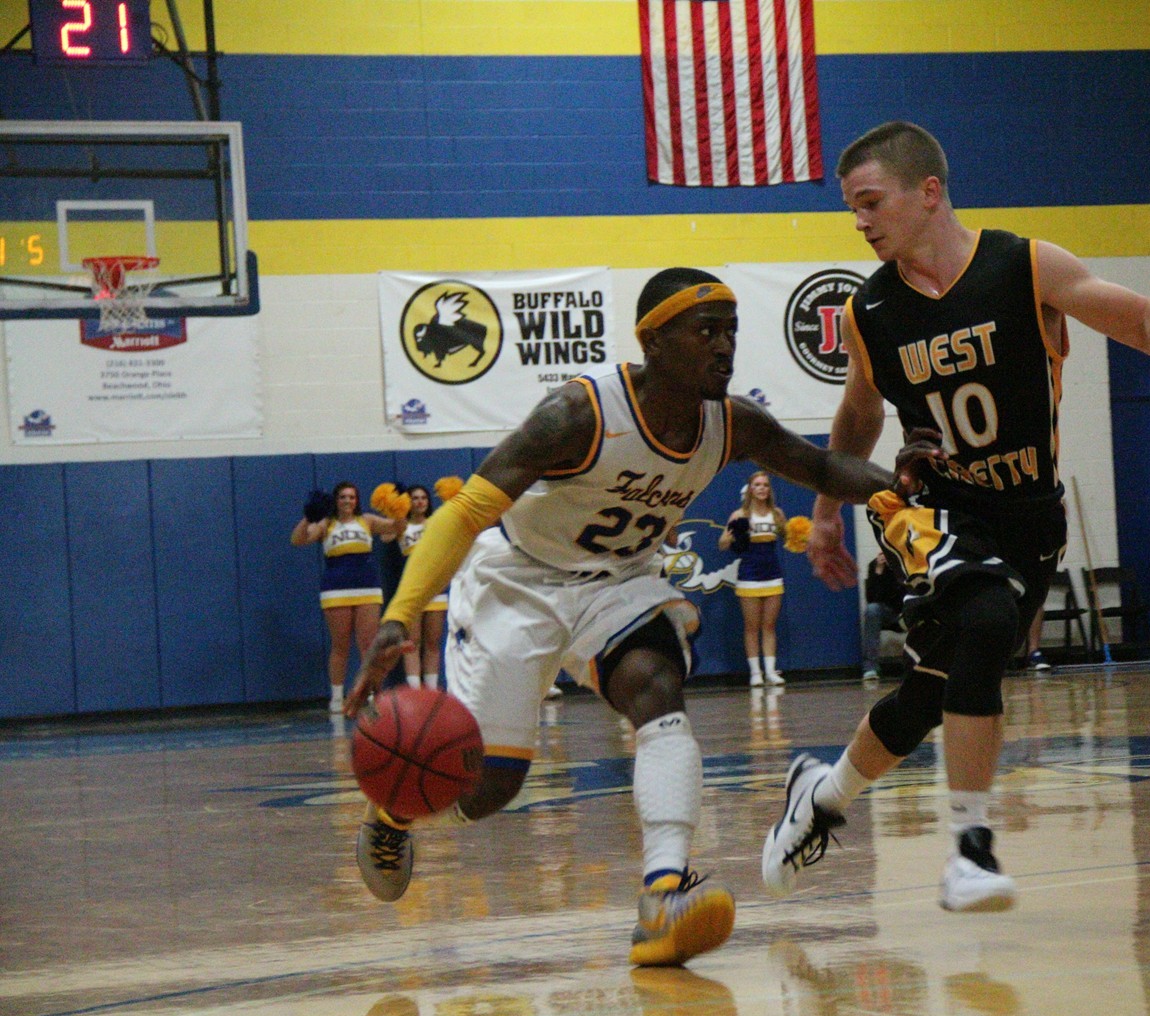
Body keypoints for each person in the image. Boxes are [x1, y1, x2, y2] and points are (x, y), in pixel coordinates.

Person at [342, 268, 933, 966]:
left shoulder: (732, 422)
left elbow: (821, 465)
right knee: (487, 788)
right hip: (520, 583)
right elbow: (468, 511)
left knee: (658, 687)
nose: (724, 346)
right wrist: (401, 613)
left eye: (732, 331)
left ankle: (663, 895)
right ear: (654, 343)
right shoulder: (580, 412)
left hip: (618, 583)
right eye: (706, 331)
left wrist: (893, 494)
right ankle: (395, 808)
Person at [764, 121, 1150, 912]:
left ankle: (823, 794)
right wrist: (828, 513)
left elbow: (1148, 329)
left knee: (935, 689)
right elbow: (860, 416)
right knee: (980, 624)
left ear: (929, 191)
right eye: (854, 211)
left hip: (1029, 517)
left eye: (872, 203)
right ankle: (970, 848)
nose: (862, 222)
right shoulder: (869, 310)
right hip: (932, 510)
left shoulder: (1024, 265)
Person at [291, 482, 406, 710]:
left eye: (352, 497)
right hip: (336, 590)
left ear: (357, 500)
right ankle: (336, 696)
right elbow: (298, 539)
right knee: (340, 645)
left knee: (368, 645)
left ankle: (371, 693)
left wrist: (398, 511)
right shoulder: (326, 524)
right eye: (343, 497)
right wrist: (307, 517)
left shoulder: (368, 520)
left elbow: (398, 527)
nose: (347, 501)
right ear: (336, 500)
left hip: (367, 588)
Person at [718, 471, 788, 687]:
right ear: (750, 489)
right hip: (748, 575)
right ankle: (755, 673)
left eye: (765, 485)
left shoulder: (777, 514)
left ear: (769, 489)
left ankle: (770, 671)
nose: (761, 488)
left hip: (772, 575)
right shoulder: (740, 515)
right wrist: (726, 538)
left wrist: (799, 534)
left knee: (769, 626)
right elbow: (722, 544)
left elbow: (789, 537)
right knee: (751, 626)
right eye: (757, 484)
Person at [387, 483, 451, 688]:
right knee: (412, 643)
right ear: (408, 502)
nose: (420, 501)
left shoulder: (435, 522)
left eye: (423, 497)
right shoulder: (401, 526)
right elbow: (385, 536)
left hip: (436, 588)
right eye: (415, 498)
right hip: (413, 590)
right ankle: (415, 691)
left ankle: (431, 690)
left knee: (433, 643)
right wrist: (396, 513)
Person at [861, 550, 906, 681]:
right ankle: (870, 667)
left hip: (907, 609)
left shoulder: (907, 564)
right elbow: (872, 599)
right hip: (888, 613)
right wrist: (878, 573)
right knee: (872, 609)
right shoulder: (874, 566)